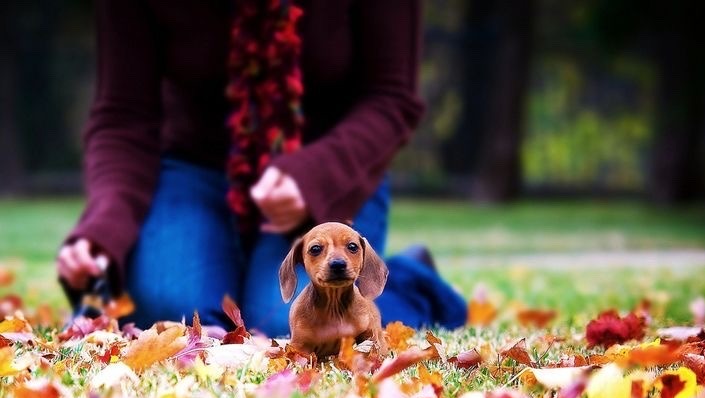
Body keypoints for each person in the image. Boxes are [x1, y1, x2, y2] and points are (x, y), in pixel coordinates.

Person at [57, 0, 466, 336]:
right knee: (179, 313)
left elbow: (391, 98)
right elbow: (123, 116)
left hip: (336, 172)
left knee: (288, 323)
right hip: (195, 167)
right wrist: (103, 229)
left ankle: (408, 281)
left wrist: (314, 178)